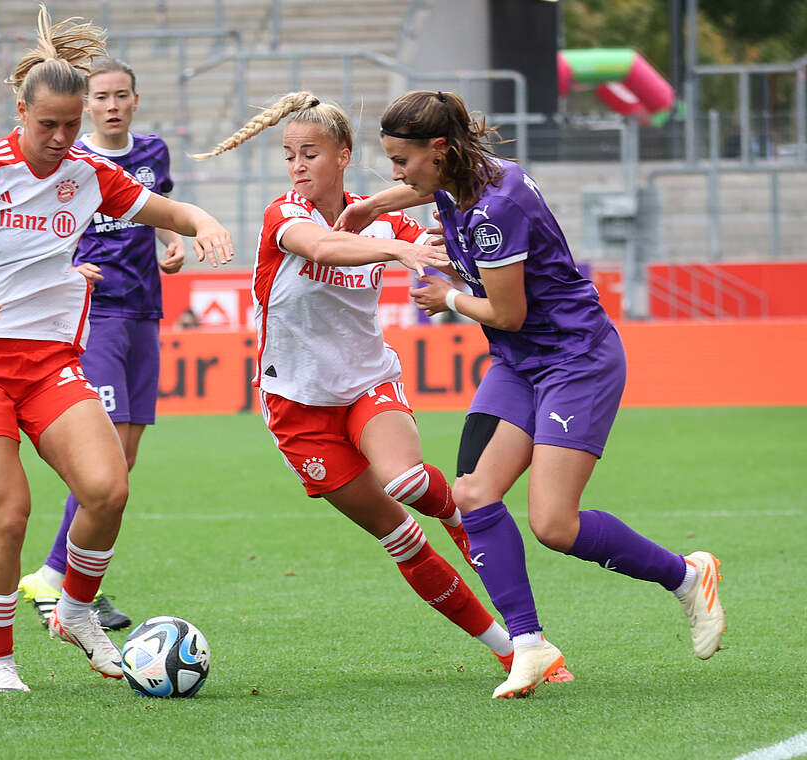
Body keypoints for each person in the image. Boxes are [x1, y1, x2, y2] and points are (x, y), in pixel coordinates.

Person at [0, 5, 232, 694]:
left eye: (70, 124)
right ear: (21, 110)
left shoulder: (88, 173)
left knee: (108, 488)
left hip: (49, 364)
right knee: (11, 513)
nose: (58, 137)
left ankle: (75, 610)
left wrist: (199, 221)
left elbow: (163, 211)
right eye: (46, 123)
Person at [363, 89, 723, 698]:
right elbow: (421, 191)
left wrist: (444, 297)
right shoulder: (474, 174)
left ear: (440, 151)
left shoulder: (495, 210)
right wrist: (366, 207)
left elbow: (505, 311)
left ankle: (687, 575)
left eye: (402, 160)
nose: (398, 174)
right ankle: (529, 646)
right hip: (519, 362)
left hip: (574, 360)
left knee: (554, 524)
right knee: (474, 494)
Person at [192, 91, 558, 681]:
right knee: (401, 538)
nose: (298, 167)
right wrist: (398, 247)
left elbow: (444, 237)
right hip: (296, 409)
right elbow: (323, 246)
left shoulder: (380, 213)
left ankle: (515, 607)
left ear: (344, 154)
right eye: (289, 156)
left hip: (367, 383)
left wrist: (451, 276)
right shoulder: (285, 216)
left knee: (409, 482)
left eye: (310, 153)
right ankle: (507, 649)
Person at [17, 57, 186, 632]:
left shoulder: (153, 153)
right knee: (105, 456)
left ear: (135, 100)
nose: (112, 105)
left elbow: (154, 208)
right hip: (96, 314)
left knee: (127, 457)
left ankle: (64, 576)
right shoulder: (74, 160)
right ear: (86, 105)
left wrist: (172, 240)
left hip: (145, 311)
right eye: (102, 96)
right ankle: (60, 579)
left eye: (122, 95)